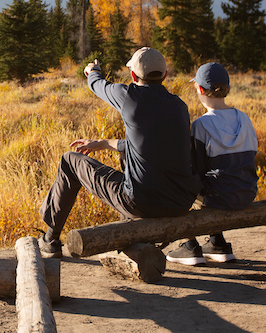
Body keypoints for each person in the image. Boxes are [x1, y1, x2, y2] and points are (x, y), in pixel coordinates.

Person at [38, 47, 201, 258]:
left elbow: (97, 85)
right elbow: (148, 145)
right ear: (165, 75)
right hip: (181, 202)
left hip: (142, 203)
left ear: (133, 75)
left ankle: (50, 239)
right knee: (134, 161)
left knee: (70, 161)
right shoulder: (179, 106)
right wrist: (104, 143)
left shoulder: (130, 96)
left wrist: (93, 71)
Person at [166, 62, 258, 265]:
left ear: (199, 90)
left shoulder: (201, 125)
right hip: (247, 192)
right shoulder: (244, 118)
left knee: (182, 187)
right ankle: (217, 243)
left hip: (219, 198)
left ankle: (189, 245)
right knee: (221, 179)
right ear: (228, 89)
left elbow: (195, 171)